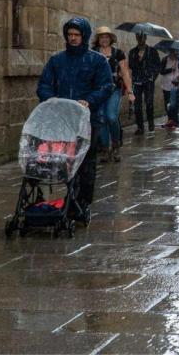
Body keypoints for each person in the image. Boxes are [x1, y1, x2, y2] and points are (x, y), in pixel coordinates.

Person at [36, 17, 113, 223]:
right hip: (62, 118)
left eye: (76, 35)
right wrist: (49, 98)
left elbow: (106, 86)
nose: (72, 38)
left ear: (84, 36)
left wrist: (89, 100)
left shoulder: (97, 61)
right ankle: (67, 199)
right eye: (70, 35)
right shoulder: (57, 60)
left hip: (89, 119)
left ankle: (82, 202)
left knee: (86, 162)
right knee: (62, 159)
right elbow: (44, 84)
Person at [91, 26, 133, 162]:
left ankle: (115, 144)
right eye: (101, 37)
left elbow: (125, 72)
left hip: (114, 89)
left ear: (110, 39)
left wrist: (130, 91)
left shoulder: (118, 53)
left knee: (111, 117)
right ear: (98, 39)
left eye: (106, 37)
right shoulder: (93, 53)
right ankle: (105, 148)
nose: (104, 39)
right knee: (101, 117)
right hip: (98, 90)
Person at [127, 33, 161, 134]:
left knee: (149, 103)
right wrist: (139, 58)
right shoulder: (133, 52)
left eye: (142, 37)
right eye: (138, 37)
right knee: (137, 105)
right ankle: (140, 127)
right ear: (136, 38)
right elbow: (131, 65)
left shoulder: (152, 51)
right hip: (137, 80)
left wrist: (152, 77)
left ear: (145, 38)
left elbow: (157, 65)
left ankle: (151, 123)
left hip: (148, 80)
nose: (140, 39)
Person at [158, 49, 179, 126]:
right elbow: (161, 71)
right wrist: (171, 69)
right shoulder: (165, 59)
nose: (174, 54)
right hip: (166, 85)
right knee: (167, 103)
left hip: (176, 85)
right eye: (172, 52)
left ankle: (175, 120)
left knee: (175, 103)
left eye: (175, 52)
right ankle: (170, 119)